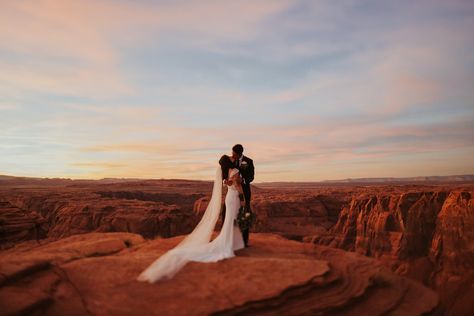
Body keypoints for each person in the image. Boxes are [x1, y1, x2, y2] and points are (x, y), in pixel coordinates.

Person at [136, 155, 245, 283]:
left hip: (229, 199)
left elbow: (231, 184)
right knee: (233, 220)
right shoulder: (235, 172)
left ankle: (231, 242)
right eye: (230, 157)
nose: (232, 157)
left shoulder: (226, 173)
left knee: (230, 221)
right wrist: (243, 196)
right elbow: (238, 186)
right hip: (234, 198)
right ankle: (229, 244)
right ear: (229, 161)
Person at [230, 144, 255, 247]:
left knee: (245, 216)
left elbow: (251, 177)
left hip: (245, 193)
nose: (232, 154)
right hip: (233, 193)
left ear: (238, 153)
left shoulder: (248, 161)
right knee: (229, 215)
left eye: (233, 153)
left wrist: (243, 180)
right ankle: (230, 239)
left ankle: (244, 242)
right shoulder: (230, 161)